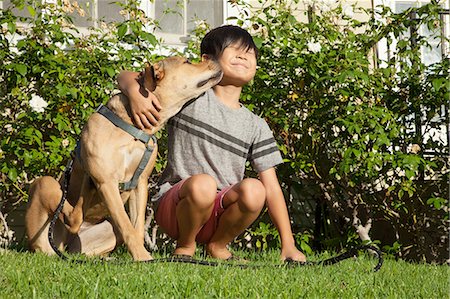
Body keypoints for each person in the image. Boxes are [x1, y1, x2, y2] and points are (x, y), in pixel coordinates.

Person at [117, 25, 306, 262]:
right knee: (203, 185)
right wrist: (135, 93)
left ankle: (218, 245)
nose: (243, 56)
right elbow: (125, 76)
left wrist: (288, 244)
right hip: (176, 207)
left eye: (249, 53)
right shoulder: (190, 97)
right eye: (233, 49)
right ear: (207, 60)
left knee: (255, 189)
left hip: (220, 212)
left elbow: (273, 188)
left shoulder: (255, 125)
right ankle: (185, 246)